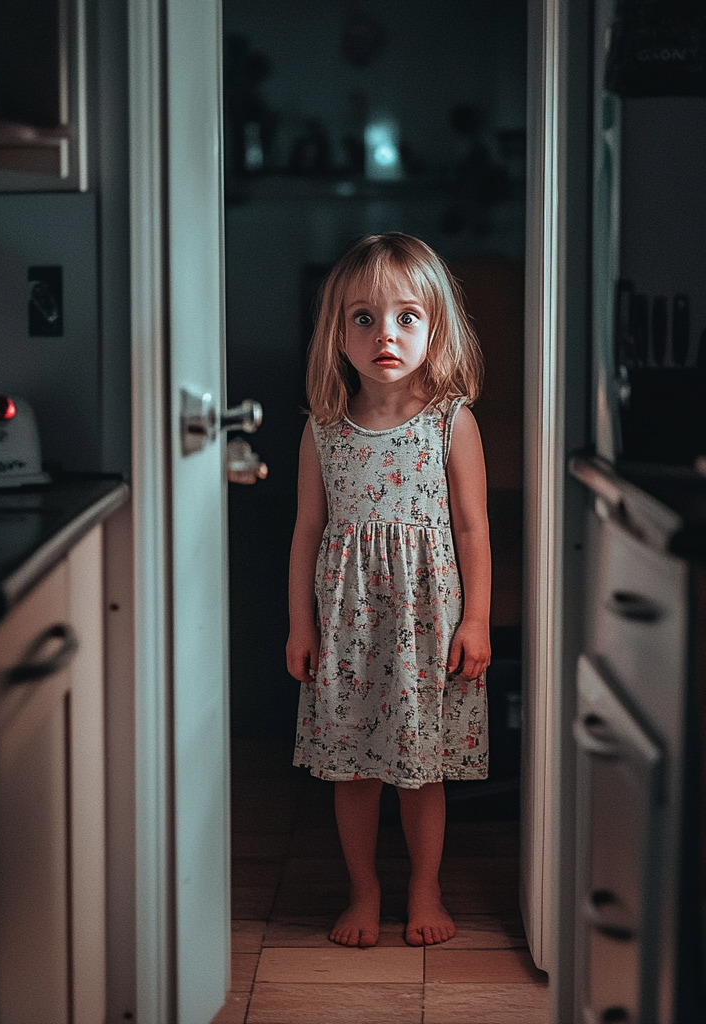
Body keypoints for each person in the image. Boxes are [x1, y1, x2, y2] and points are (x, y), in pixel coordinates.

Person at [286, 232, 491, 949]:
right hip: (347, 632)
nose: (385, 335)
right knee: (353, 771)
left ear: (436, 328)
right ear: (338, 334)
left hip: (428, 625)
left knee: (419, 770)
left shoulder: (450, 423)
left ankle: (424, 886)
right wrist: (298, 626)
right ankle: (363, 891)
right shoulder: (323, 432)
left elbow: (472, 530)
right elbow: (307, 532)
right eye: (364, 318)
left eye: (407, 317)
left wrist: (479, 622)